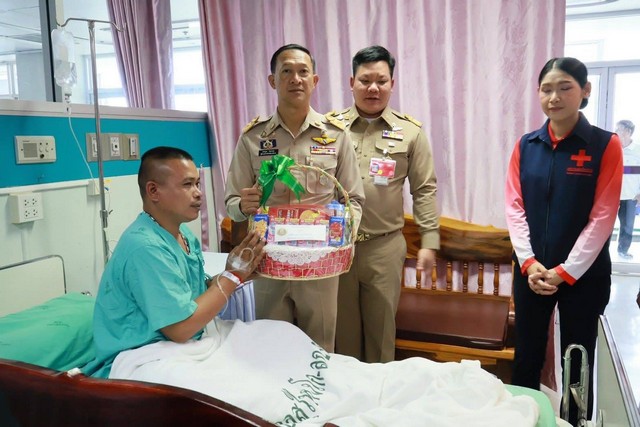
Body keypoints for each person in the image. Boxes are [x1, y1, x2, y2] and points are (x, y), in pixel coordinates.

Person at [505, 57, 623, 426]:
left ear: (585, 91)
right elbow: (514, 207)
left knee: (577, 358)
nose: (554, 97)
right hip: (532, 272)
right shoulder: (527, 145)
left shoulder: (605, 144)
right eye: (546, 89)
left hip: (583, 276)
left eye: (564, 87)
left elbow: (603, 217)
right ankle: (523, 418)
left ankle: (574, 422)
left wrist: (566, 272)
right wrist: (529, 263)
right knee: (526, 355)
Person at [224, 44, 365, 352]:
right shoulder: (253, 138)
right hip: (268, 262)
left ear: (314, 80)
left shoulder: (335, 135)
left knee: (320, 348)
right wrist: (242, 206)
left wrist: (343, 234)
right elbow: (232, 202)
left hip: (319, 265)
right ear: (272, 80)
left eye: (303, 72)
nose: (295, 79)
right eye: (286, 71)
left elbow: (353, 199)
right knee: (270, 348)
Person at [82, 146, 266, 378]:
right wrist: (232, 277)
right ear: (153, 191)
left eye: (197, 184)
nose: (198, 193)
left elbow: (196, 292)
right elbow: (180, 329)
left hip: (189, 341)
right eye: (187, 185)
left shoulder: (183, 234)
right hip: (146, 354)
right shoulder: (145, 248)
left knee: (276, 335)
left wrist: (241, 272)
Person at [327, 45, 439, 363]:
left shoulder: (410, 132)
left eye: (381, 80)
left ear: (392, 84)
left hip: (384, 248)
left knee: (380, 337)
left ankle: (380, 394)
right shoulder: (328, 129)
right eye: (365, 80)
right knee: (342, 336)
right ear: (352, 82)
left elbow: (424, 189)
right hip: (337, 246)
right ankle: (347, 394)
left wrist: (429, 241)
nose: (373, 88)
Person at [616, 119, 638, 259]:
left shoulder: (638, 150)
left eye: (619, 129)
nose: (616, 132)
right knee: (605, 224)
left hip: (630, 195)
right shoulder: (613, 147)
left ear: (628, 132)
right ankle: (601, 251)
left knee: (628, 225)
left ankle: (623, 251)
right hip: (612, 194)